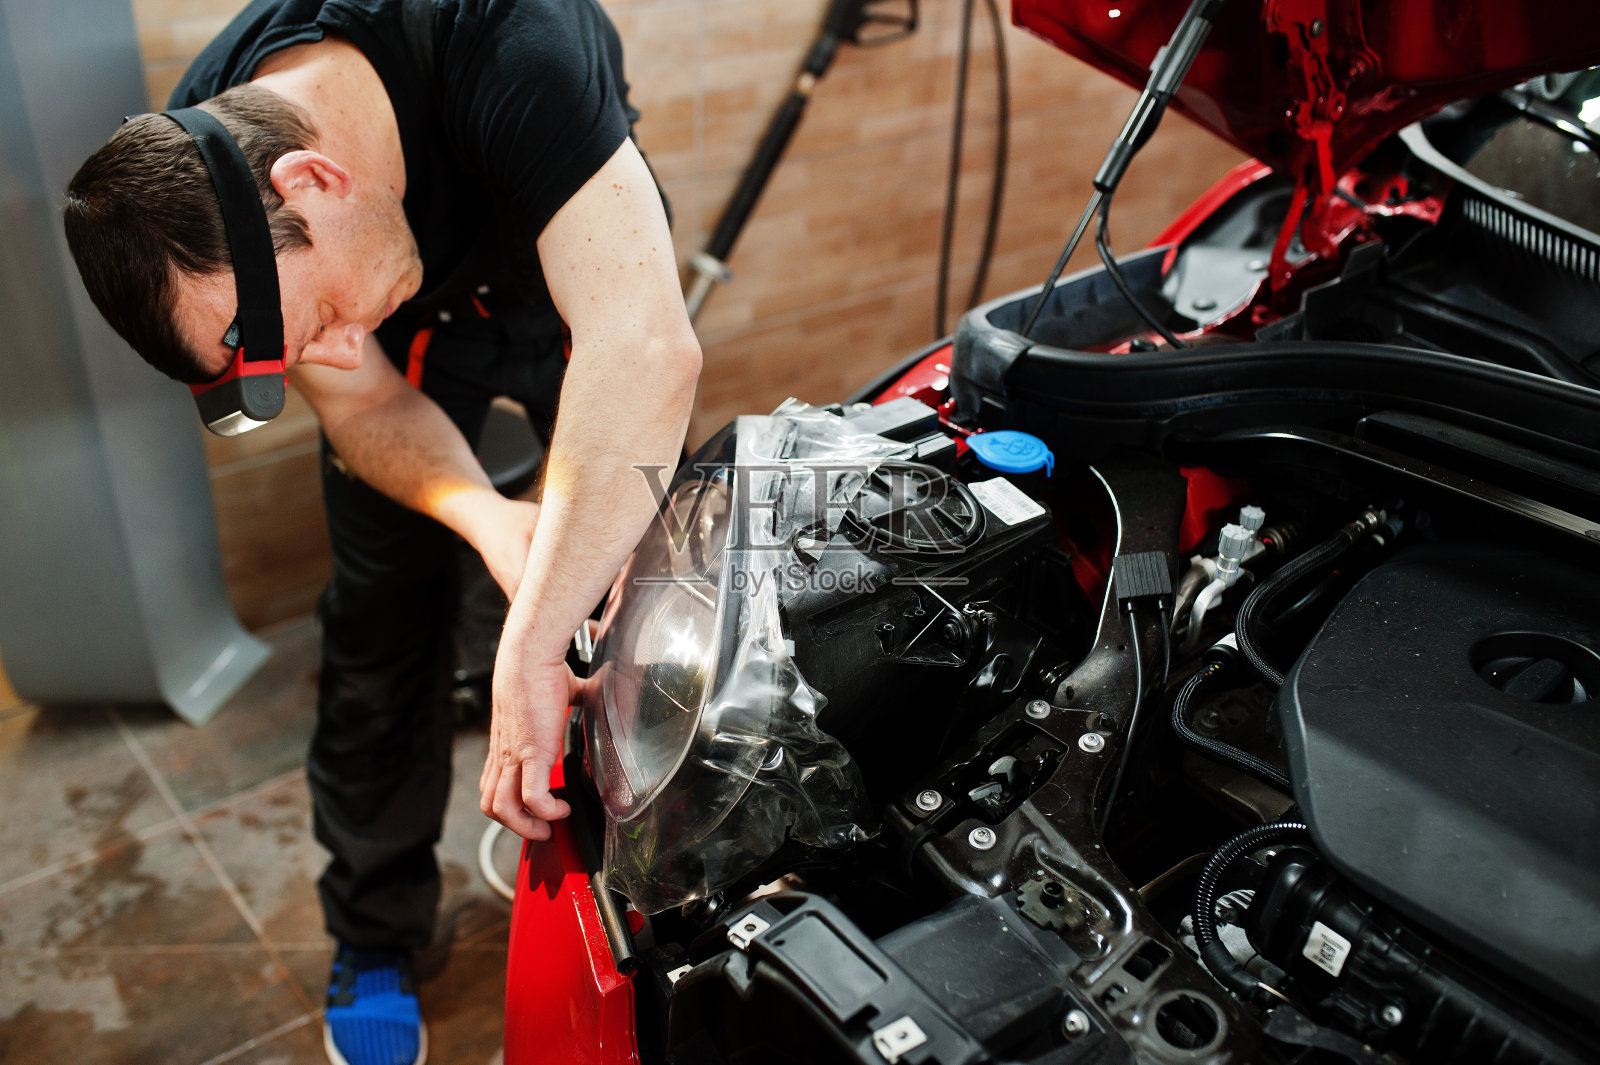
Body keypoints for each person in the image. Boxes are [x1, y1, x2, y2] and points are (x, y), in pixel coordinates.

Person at [62, 1, 700, 1062]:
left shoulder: (509, 39)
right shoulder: (194, 179)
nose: (326, 351)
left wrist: (533, 636)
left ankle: (684, 887)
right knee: (377, 622)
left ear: (311, 182)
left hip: (568, 279)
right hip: (405, 308)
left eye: (308, 325)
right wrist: (490, 521)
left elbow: (644, 349)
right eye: (296, 344)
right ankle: (375, 936)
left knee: (657, 582)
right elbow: (360, 402)